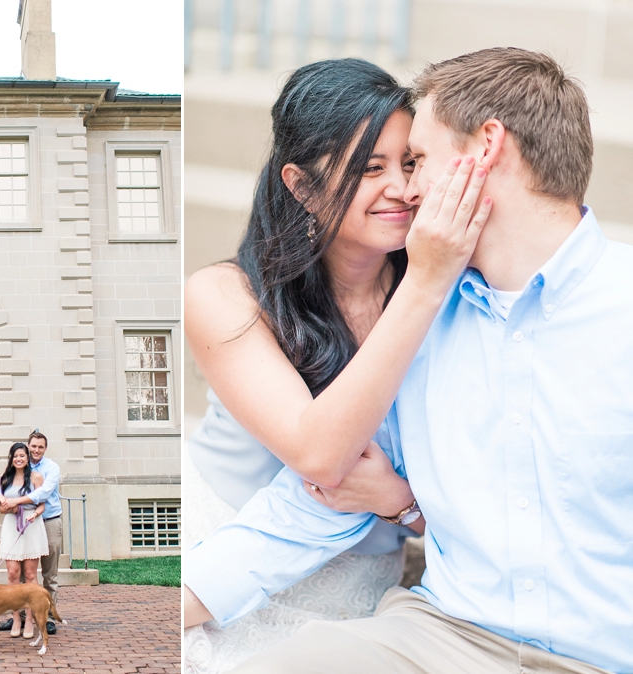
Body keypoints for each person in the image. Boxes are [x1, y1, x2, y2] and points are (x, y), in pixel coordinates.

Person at [228, 47, 631, 674]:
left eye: (416, 161)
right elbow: (319, 486)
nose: (407, 190)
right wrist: (401, 500)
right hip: (440, 634)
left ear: (485, 147)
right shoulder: (413, 312)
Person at [182, 58, 491, 672]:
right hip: (222, 546)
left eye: (409, 164)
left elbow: (483, 492)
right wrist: (427, 280)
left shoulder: (459, 297)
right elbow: (320, 455)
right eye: (369, 168)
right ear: (299, 185)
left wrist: (401, 502)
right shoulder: (223, 297)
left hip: (357, 595)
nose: (401, 189)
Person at [0, 441, 48, 639]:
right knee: (13, 573)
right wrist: (10, 508)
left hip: (31, 526)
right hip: (11, 526)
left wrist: (34, 515)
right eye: (15, 456)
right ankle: (16, 618)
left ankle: (30, 620)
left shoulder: (36, 477)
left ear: (27, 458)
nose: (19, 459)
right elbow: (0, 509)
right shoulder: (4, 480)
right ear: (11, 458)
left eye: (22, 456)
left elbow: (42, 505)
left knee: (31, 575)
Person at [24, 430, 62, 635]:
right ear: (28, 446)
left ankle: (47, 617)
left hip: (49, 521)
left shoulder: (52, 468)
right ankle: (23, 617)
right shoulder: (20, 463)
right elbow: (4, 482)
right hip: (27, 522)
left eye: (40, 446)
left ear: (45, 448)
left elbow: (45, 492)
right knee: (25, 572)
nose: (36, 450)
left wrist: (19, 501)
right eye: (33, 446)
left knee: (50, 574)